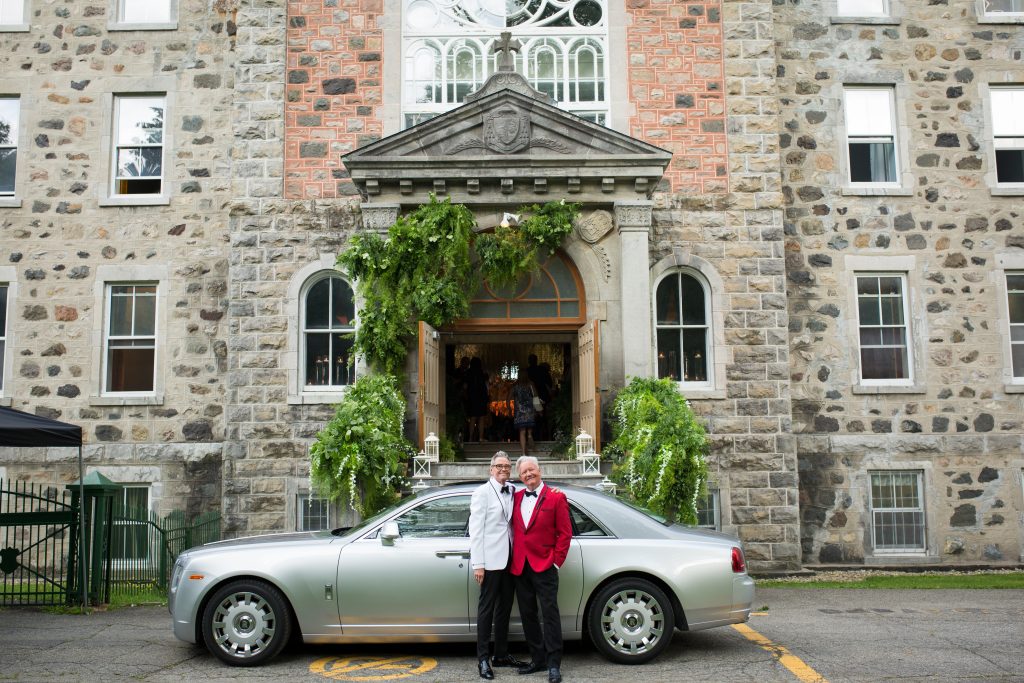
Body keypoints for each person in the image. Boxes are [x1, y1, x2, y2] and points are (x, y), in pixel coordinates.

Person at [510, 456, 571, 683]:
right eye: (524, 472)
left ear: (540, 470)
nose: (528, 475)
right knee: (528, 615)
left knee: (550, 614)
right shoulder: (515, 497)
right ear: (520, 476)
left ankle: (554, 664)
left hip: (545, 565)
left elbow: (565, 533)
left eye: (531, 470)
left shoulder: (556, 497)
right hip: (521, 566)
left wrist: (556, 561)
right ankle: (538, 659)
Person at [468, 451, 526, 680]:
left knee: (504, 609)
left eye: (507, 466)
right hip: (490, 561)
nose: (504, 469)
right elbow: (476, 530)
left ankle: (501, 654)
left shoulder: (512, 490)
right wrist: (479, 564)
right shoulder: (482, 493)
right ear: (491, 469)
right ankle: (483, 658)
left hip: (510, 560)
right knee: (486, 610)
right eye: (499, 466)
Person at [511, 374, 538, 456]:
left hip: (519, 411)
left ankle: (523, 452)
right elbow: (535, 395)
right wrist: (538, 408)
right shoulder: (530, 384)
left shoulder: (515, 386)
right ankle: (529, 435)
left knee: (522, 431)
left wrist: (509, 409)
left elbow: (508, 397)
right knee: (529, 426)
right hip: (529, 409)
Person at [465, 357, 490, 443]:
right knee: (481, 418)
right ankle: (480, 437)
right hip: (482, 398)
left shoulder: (468, 373)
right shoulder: (483, 374)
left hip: (472, 398)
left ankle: (470, 438)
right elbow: (487, 387)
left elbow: (465, 386)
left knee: (473, 418)